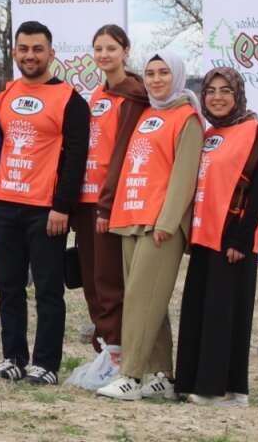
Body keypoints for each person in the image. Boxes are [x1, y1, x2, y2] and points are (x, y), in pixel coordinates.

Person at [97, 51, 204, 401]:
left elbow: (184, 177)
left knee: (142, 299)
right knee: (146, 299)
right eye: (151, 73)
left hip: (160, 224)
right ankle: (164, 374)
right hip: (132, 217)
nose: (157, 80)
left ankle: (130, 376)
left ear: (177, 75)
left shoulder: (187, 119)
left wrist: (169, 222)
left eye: (164, 73)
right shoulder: (146, 115)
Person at [0, 21, 88, 385]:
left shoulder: (70, 100)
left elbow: (76, 158)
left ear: (51, 54)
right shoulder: (8, 93)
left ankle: (46, 363)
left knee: (48, 290)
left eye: (37, 49)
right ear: (15, 52)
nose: (30, 55)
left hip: (46, 210)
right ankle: (13, 357)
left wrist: (62, 206)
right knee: (8, 287)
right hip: (5, 204)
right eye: (24, 49)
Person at [176, 67, 258, 407]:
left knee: (224, 313)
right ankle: (231, 390)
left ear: (238, 94)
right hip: (205, 235)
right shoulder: (210, 132)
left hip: (231, 239)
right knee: (200, 310)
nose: (217, 97)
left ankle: (213, 389)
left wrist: (240, 240)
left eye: (225, 91)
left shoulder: (254, 132)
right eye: (210, 91)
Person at [76, 25, 148, 365]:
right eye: (98, 49)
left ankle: (117, 350)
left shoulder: (132, 95)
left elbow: (122, 153)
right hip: (86, 201)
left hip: (111, 204)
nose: (104, 55)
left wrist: (107, 205)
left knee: (108, 279)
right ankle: (105, 344)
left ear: (126, 51)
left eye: (111, 48)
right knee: (89, 276)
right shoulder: (97, 95)